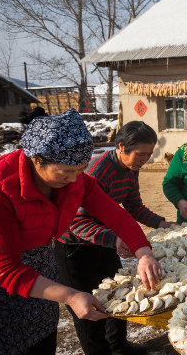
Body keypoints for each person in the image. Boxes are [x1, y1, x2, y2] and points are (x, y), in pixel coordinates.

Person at [0, 108, 161, 355]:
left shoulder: (76, 180)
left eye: (80, 170)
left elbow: (116, 215)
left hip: (42, 268)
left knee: (42, 338)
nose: (74, 180)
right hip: (4, 286)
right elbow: (5, 268)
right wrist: (70, 295)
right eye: (66, 171)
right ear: (37, 158)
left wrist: (143, 252)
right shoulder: (1, 188)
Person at [55, 121, 176, 355]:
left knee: (118, 295)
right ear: (121, 146)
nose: (145, 160)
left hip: (106, 241)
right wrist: (114, 239)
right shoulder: (98, 171)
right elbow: (76, 222)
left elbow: (132, 205)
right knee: (89, 308)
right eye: (141, 154)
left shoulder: (131, 169)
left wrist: (160, 222)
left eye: (149, 154)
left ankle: (119, 347)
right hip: (75, 248)